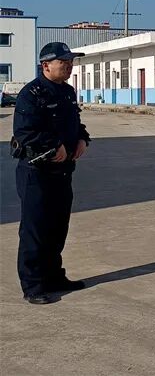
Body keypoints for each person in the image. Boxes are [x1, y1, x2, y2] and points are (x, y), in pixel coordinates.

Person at [12, 42, 90, 305]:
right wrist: (54, 145)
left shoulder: (67, 92)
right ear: (46, 65)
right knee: (35, 229)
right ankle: (33, 286)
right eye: (63, 62)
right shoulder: (31, 94)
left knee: (58, 227)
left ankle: (54, 277)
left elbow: (75, 123)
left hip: (62, 172)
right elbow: (25, 131)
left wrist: (82, 139)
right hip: (37, 171)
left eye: (71, 62)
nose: (69, 66)